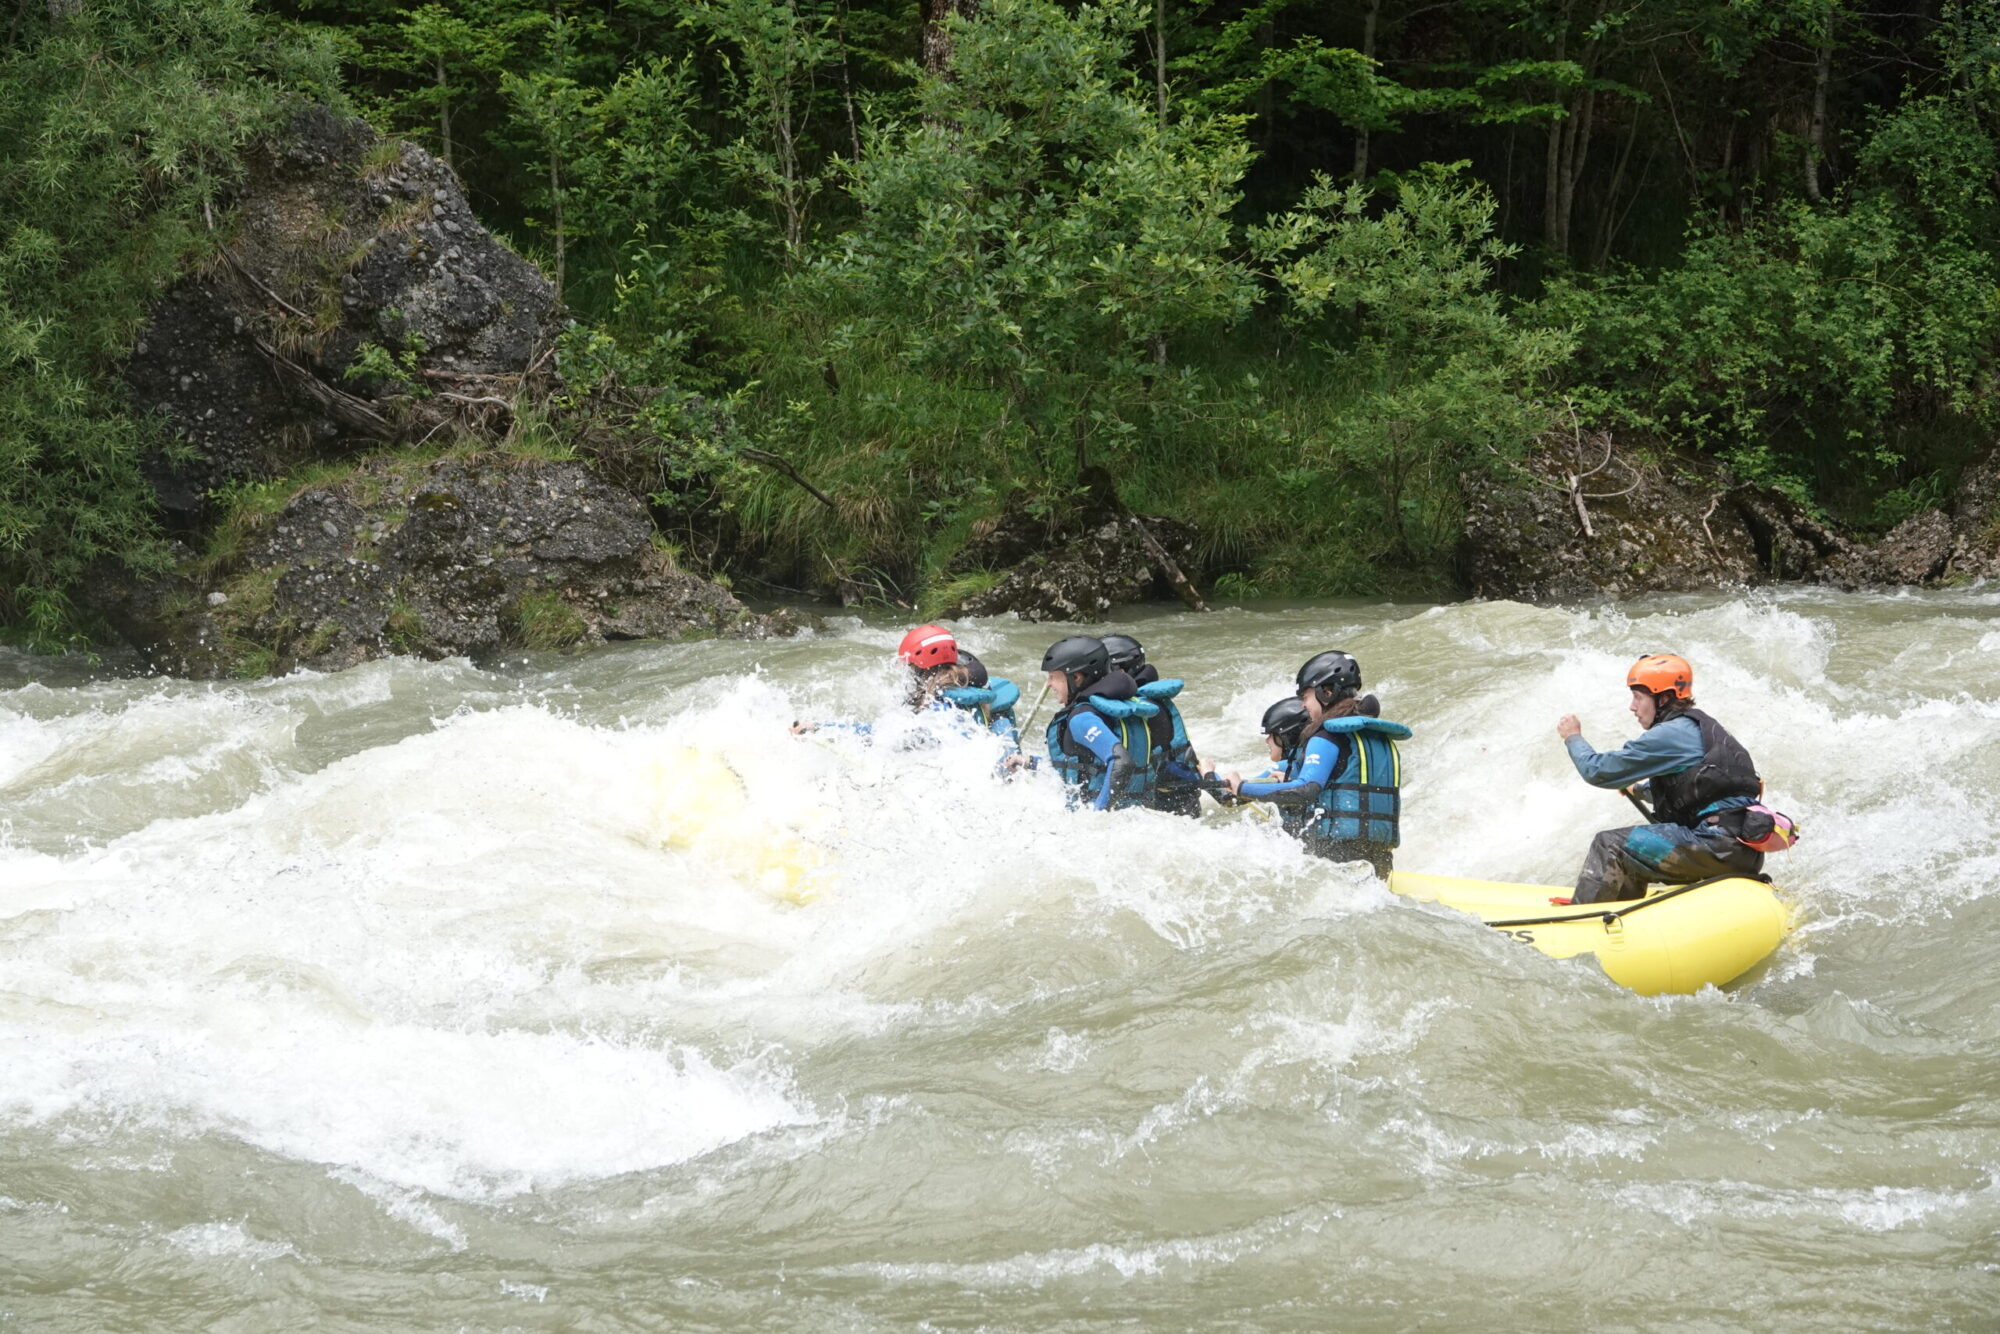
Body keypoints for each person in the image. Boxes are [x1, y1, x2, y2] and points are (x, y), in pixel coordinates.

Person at [1557, 653, 1767, 904]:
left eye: (1638, 697)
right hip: (1741, 850)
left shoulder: (1670, 734)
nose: (1632, 707)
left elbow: (1597, 771)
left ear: (1663, 698)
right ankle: (1617, 912)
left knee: (1610, 844)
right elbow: (1698, 788)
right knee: (1636, 848)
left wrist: (1573, 737)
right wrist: (1638, 789)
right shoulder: (1700, 727)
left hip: (1714, 846)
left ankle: (1583, 918)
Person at [1223, 651, 1409, 877]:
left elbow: (1306, 789)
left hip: (1337, 859)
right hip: (1380, 858)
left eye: (1306, 697)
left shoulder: (1326, 737)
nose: (1303, 706)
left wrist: (1241, 788)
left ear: (1326, 692)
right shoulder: (1377, 736)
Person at [790, 623, 1018, 749]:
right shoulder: (976, 691)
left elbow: (886, 737)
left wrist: (824, 731)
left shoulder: (939, 705)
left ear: (919, 667)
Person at [1034, 634, 1159, 810]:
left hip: (1099, 827)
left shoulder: (1082, 718)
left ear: (1076, 677)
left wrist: (1098, 815)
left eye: (1053, 677)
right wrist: (1030, 763)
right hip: (1137, 820)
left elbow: (1121, 761)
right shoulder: (1127, 708)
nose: (1049, 684)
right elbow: (1081, 763)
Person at [1101, 633, 1203, 817]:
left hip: (1170, 813)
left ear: (1120, 672)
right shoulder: (1145, 703)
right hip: (1176, 808)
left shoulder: (1143, 711)